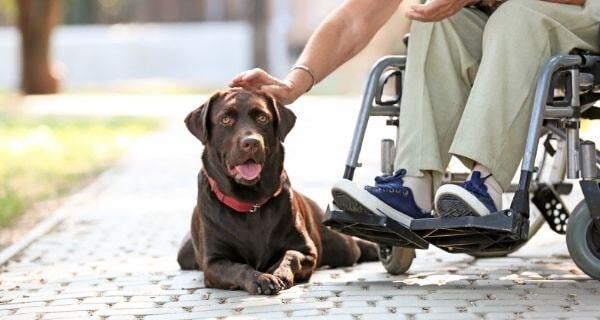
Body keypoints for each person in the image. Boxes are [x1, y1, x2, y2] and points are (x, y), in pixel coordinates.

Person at [230, 0, 599, 223]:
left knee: (515, 16)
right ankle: (414, 186)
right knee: (435, 22)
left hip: (580, 12)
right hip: (505, 22)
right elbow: (354, 19)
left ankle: (485, 185)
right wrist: (294, 83)